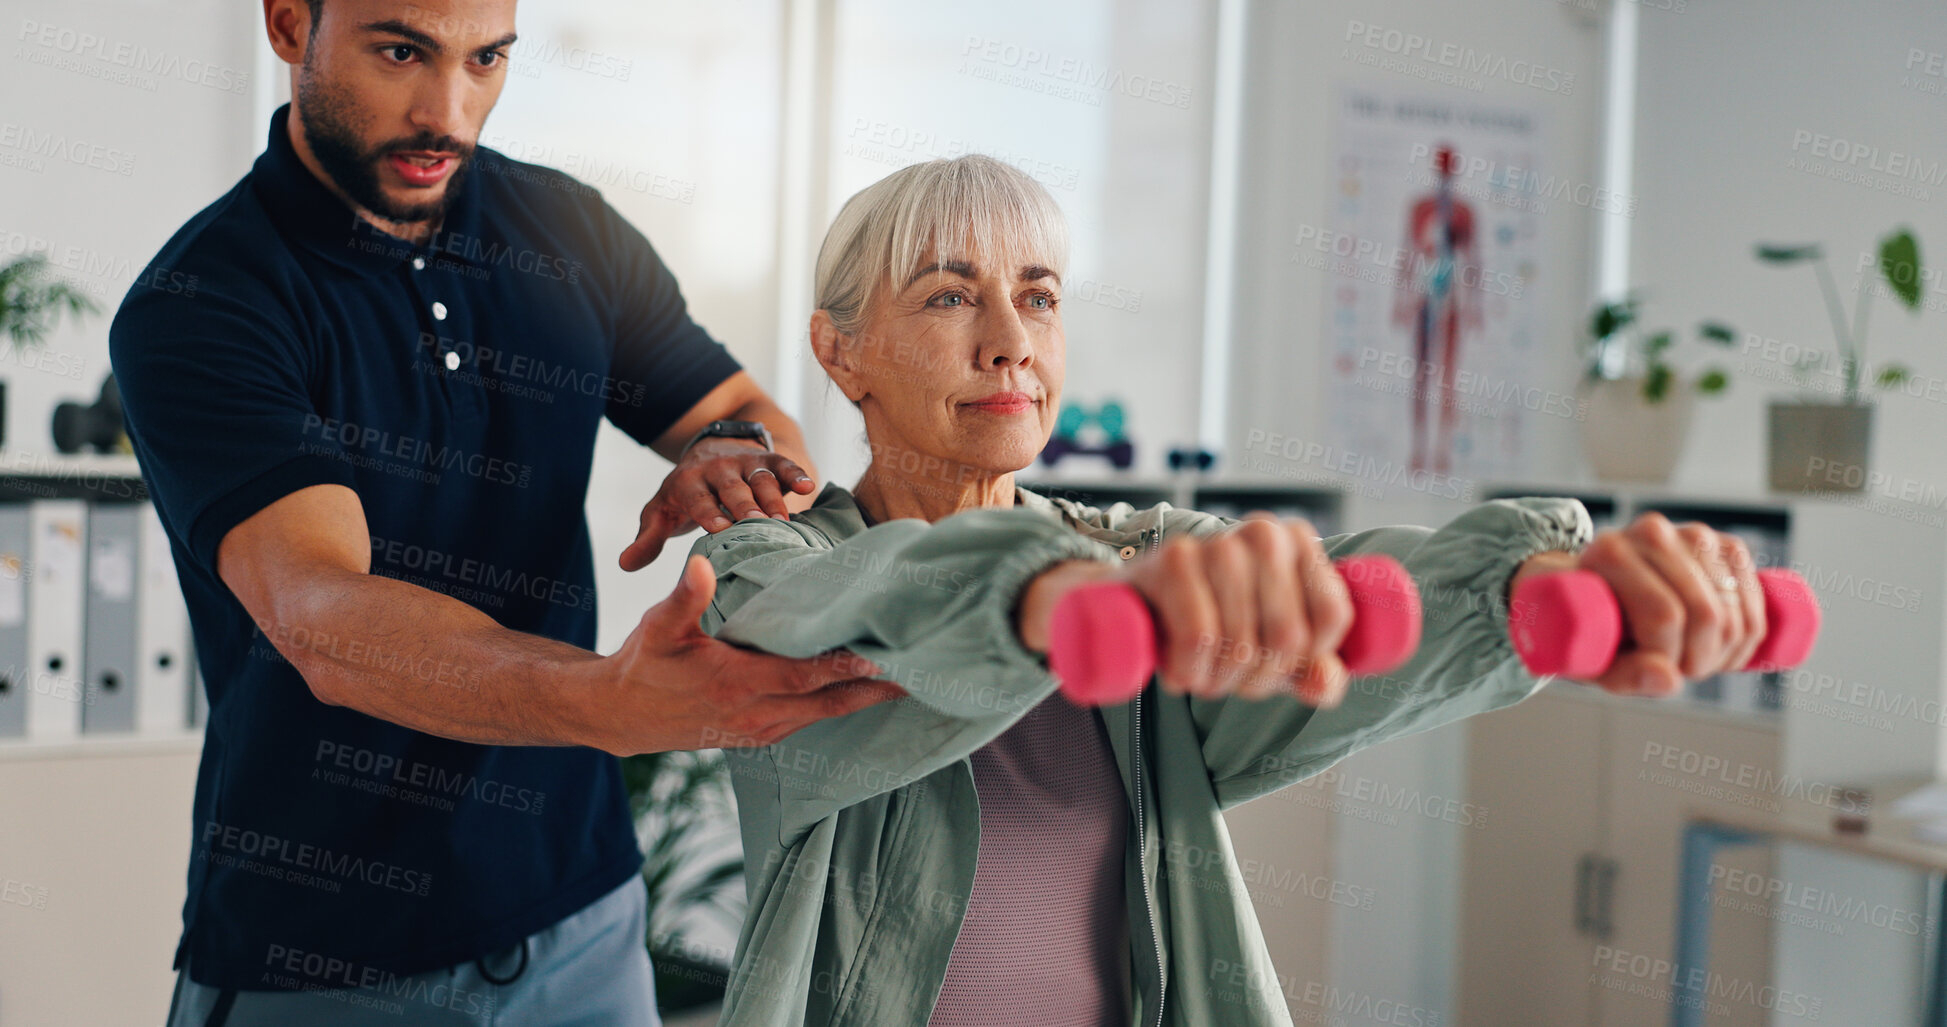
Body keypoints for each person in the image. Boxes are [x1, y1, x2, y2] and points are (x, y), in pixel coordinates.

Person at [689, 155, 1771, 1025]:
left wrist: (1531, 589)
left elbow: (1345, 607)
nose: (1012, 343)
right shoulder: (776, 556)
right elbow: (870, 601)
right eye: (950, 296)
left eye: (1039, 297)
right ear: (844, 353)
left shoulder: (1146, 552)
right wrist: (1055, 601)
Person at [111, 1, 898, 1024]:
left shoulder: (565, 230)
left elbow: (759, 422)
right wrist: (616, 702)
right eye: (401, 51)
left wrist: (733, 458)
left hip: (587, 925)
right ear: (288, 22)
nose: (449, 110)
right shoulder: (204, 300)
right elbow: (326, 619)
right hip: (320, 961)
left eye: (486, 59)